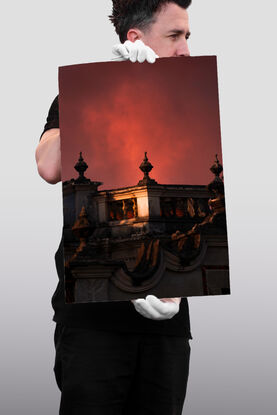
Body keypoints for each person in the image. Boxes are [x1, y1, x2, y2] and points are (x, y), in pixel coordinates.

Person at [35, 1, 193, 414]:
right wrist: (101, 86)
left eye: (187, 37)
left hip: (167, 322)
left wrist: (178, 288)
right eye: (175, 36)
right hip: (92, 322)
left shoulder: (190, 105)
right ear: (135, 39)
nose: (185, 50)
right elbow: (49, 166)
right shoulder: (81, 94)